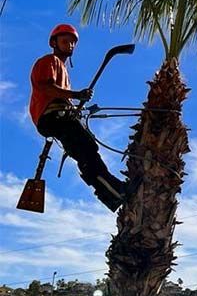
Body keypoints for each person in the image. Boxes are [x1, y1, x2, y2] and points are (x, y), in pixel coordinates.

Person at [29, 24, 126, 212]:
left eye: (73, 42)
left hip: (57, 117)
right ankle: (114, 190)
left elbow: (59, 96)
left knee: (85, 149)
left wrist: (74, 105)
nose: (70, 45)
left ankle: (111, 195)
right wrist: (76, 94)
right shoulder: (49, 61)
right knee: (86, 148)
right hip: (52, 117)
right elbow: (46, 87)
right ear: (54, 43)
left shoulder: (63, 69)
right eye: (65, 41)